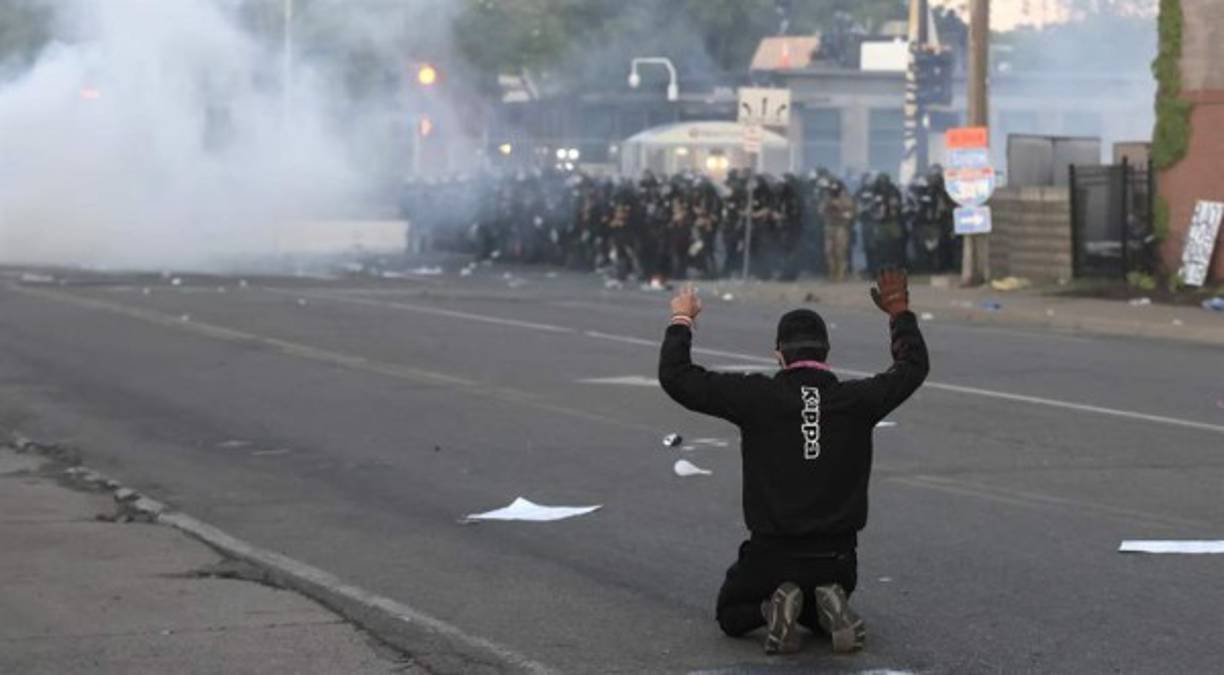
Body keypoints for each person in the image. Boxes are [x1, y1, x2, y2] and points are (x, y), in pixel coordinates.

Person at [657, 269, 929, 655]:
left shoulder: (756, 397)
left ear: (779, 355)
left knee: (731, 613)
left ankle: (774, 606)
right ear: (826, 354)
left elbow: (677, 377)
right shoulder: (858, 400)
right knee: (817, 614)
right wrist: (899, 312)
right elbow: (911, 369)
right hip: (836, 558)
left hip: (771, 554)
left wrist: (682, 318)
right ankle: (827, 603)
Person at [821, 179, 856, 281]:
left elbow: (851, 214)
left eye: (835, 189)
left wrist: (840, 212)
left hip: (841, 227)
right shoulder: (826, 199)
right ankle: (832, 274)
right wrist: (828, 209)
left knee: (840, 251)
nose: (833, 191)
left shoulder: (847, 199)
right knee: (829, 251)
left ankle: (841, 274)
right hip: (829, 227)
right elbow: (820, 211)